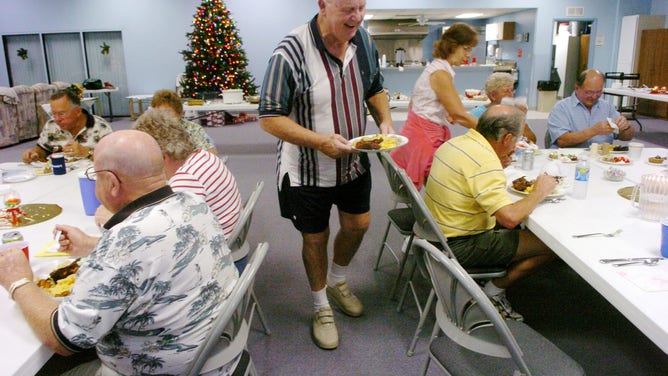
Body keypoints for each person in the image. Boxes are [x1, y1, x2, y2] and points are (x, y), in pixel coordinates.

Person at [0, 130, 239, 375]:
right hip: (214, 352)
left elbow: (63, 339)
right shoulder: (192, 202)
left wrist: (18, 280)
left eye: (96, 176)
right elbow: (156, 253)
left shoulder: (123, 245)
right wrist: (90, 246)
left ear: (112, 183)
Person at [258, 0, 394, 350]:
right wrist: (319, 141)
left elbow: (375, 88)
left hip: (353, 161)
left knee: (358, 225)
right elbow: (270, 117)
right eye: (348, 8)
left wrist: (386, 123)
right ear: (322, 4)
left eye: (362, 7)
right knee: (315, 239)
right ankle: (321, 306)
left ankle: (338, 279)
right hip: (307, 170)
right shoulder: (290, 51)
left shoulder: (363, 41)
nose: (357, 17)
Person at [425, 104, 558, 321]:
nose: (516, 146)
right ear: (506, 138)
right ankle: (494, 290)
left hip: (435, 234)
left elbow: (472, 178)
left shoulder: (458, 144)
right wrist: (540, 191)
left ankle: (497, 272)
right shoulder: (484, 161)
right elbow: (510, 219)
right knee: (552, 245)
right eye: (516, 139)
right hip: (458, 245)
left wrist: (496, 165)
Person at [390, 22, 479, 190]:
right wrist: (489, 131)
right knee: (447, 185)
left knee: (441, 184)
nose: (468, 54)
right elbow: (459, 114)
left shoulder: (437, 68)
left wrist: (445, 112)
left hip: (419, 132)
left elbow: (417, 102)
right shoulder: (440, 73)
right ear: (453, 46)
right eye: (466, 49)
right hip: (424, 137)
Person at [547, 69, 635, 148]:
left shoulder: (607, 107)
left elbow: (627, 137)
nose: (594, 96)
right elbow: (562, 141)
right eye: (589, 92)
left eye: (599, 92)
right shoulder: (562, 107)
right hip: (570, 159)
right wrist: (594, 131)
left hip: (601, 158)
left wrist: (626, 127)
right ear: (577, 88)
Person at [22, 90, 113, 163]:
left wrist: (87, 153)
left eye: (61, 114)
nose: (57, 119)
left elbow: (112, 159)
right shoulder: (51, 125)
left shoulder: (100, 127)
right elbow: (43, 148)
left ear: (77, 111)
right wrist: (34, 153)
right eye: (54, 114)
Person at [469, 72, 537, 143]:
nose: (511, 95)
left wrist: (521, 118)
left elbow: (532, 141)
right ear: (493, 95)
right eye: (506, 91)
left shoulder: (514, 112)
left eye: (512, 90)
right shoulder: (478, 113)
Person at [150, 89, 218, 154]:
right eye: (158, 112)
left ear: (180, 114)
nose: (162, 116)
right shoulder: (151, 130)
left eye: (167, 112)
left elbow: (211, 153)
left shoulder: (193, 129)